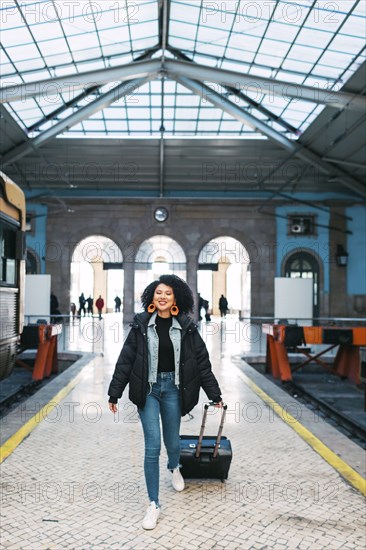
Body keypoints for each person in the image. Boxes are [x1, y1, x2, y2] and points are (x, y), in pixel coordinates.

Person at [108, 274, 223, 530]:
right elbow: (126, 360)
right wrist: (114, 393)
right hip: (147, 390)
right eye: (158, 292)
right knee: (152, 446)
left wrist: (215, 394)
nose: (162, 296)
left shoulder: (187, 327)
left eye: (168, 293)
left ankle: (174, 466)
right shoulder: (140, 325)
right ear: (152, 297)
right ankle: (153, 504)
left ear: (176, 298)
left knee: (172, 441)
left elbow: (201, 363)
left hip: (173, 389)